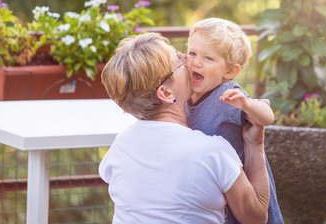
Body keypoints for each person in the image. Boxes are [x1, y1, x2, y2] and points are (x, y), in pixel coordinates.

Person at [99, 32, 270, 224]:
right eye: (179, 60)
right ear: (165, 92)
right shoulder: (213, 152)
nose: (188, 59)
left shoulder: (122, 143)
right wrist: (255, 143)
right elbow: (256, 218)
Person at [185, 17, 283, 224]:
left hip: (244, 187)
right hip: (218, 190)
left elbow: (267, 117)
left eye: (208, 58)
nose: (196, 62)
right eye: (192, 53)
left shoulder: (226, 95)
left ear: (229, 72)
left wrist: (246, 104)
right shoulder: (186, 93)